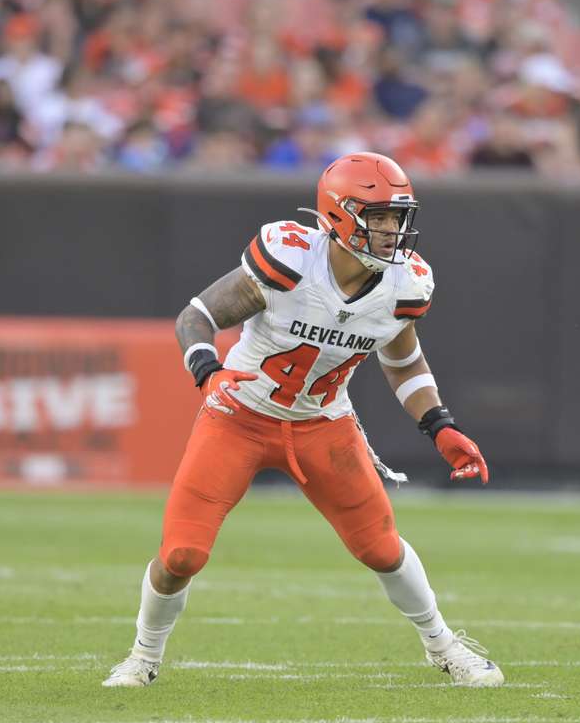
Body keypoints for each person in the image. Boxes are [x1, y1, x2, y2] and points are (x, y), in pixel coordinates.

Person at [104, 152, 503, 689]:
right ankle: (142, 656)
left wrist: (440, 424)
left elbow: (403, 359)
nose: (392, 230)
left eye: (397, 217)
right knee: (182, 554)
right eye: (378, 216)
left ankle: (445, 646)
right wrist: (208, 371)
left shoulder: (405, 284)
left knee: (382, 548)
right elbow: (197, 316)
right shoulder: (289, 259)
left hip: (323, 424)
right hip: (239, 417)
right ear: (339, 215)